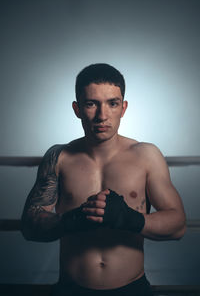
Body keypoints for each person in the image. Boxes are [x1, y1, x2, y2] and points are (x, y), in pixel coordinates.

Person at [21, 63, 186, 296]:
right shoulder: (59, 157)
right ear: (77, 109)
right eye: (91, 104)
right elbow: (29, 226)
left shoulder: (146, 155)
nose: (102, 115)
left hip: (132, 289)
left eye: (112, 103)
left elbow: (177, 225)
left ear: (123, 107)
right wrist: (71, 221)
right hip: (70, 289)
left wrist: (130, 220)